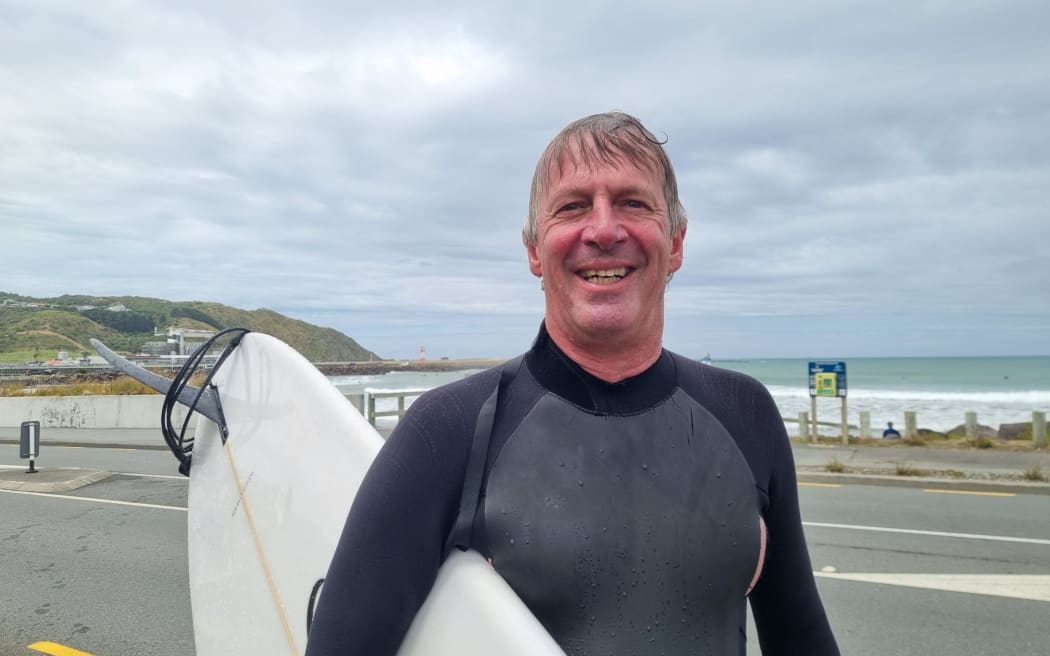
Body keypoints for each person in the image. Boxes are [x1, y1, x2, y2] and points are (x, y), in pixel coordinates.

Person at [306, 112, 839, 655]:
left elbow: (802, 639)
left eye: (633, 202)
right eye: (572, 206)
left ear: (675, 242)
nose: (604, 230)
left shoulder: (744, 413)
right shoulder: (447, 430)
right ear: (535, 250)